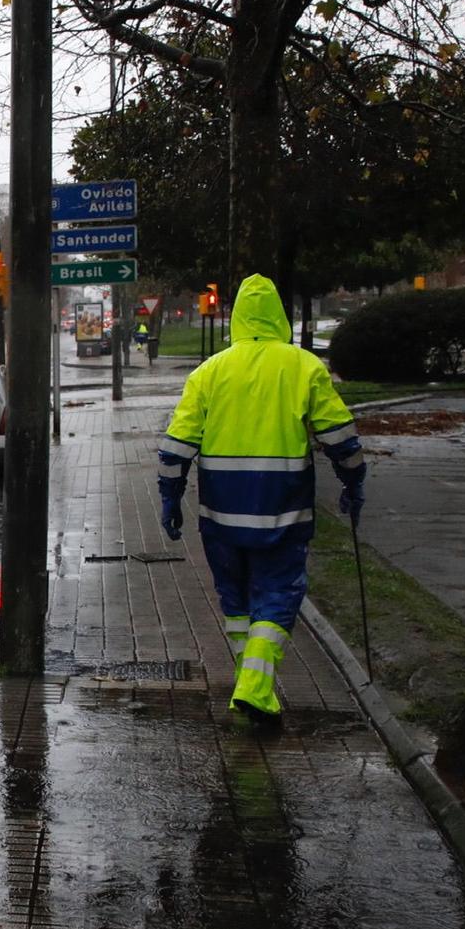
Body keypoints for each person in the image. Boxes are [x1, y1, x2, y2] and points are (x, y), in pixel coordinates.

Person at [156, 274, 366, 727]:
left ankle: (253, 688)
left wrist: (169, 498)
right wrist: (355, 481)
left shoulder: (209, 373)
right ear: (278, 315)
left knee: (235, 599)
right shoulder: (303, 367)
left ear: (236, 318)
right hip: (282, 510)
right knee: (278, 594)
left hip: (220, 515)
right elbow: (340, 437)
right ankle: (254, 688)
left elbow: (174, 448)